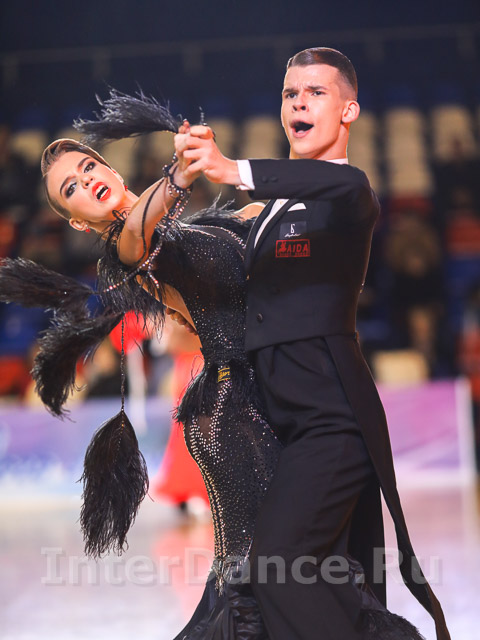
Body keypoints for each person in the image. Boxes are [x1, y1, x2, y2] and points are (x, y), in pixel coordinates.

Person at [0, 96, 429, 639]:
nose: (86, 181)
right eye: (71, 189)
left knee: (298, 570)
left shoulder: (193, 227)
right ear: (78, 223)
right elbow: (140, 232)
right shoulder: (128, 248)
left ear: (111, 170)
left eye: (88, 167)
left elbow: (263, 217)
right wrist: (181, 172)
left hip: (272, 393)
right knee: (274, 576)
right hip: (237, 412)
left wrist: (307, 157)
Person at [175, 47, 451, 640]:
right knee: (312, 576)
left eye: (315, 93)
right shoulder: (268, 211)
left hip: (333, 419)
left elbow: (331, 180)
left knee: (279, 565)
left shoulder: (350, 193)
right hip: (282, 427)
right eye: (289, 93)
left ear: (349, 110)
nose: (298, 102)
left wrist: (230, 167)